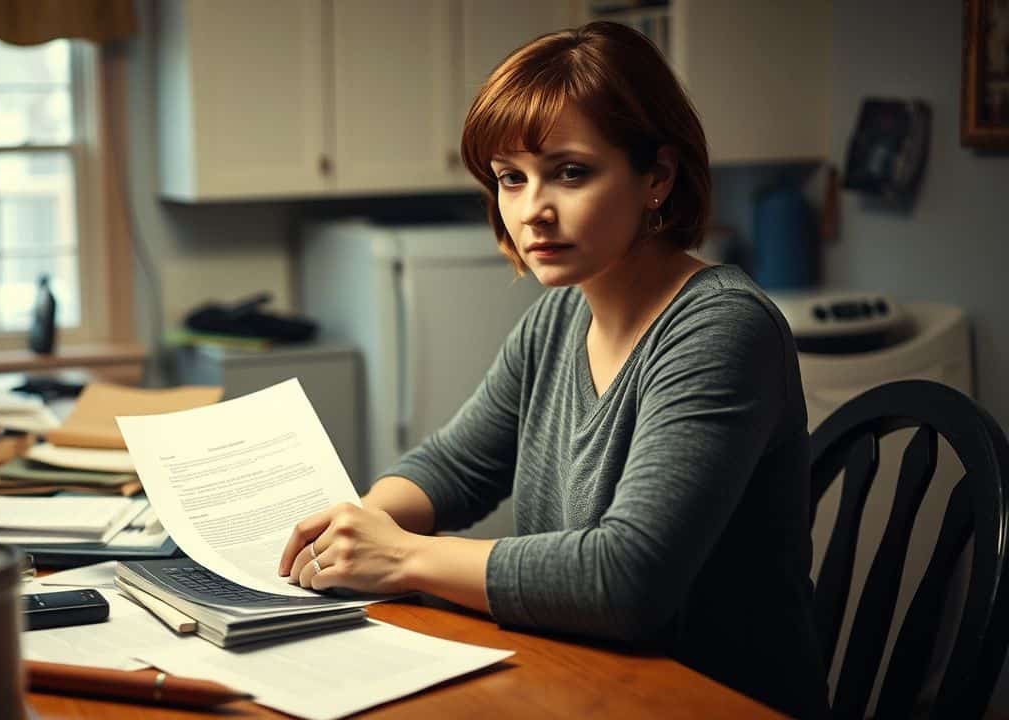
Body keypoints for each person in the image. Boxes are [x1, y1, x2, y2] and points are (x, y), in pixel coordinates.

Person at [277, 22, 828, 718]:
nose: (531, 211)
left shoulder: (722, 328)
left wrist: (401, 557)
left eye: (570, 172)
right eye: (511, 178)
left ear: (657, 176)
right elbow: (456, 465)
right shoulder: (561, 316)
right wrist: (359, 525)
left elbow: (624, 581)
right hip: (580, 679)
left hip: (706, 702)